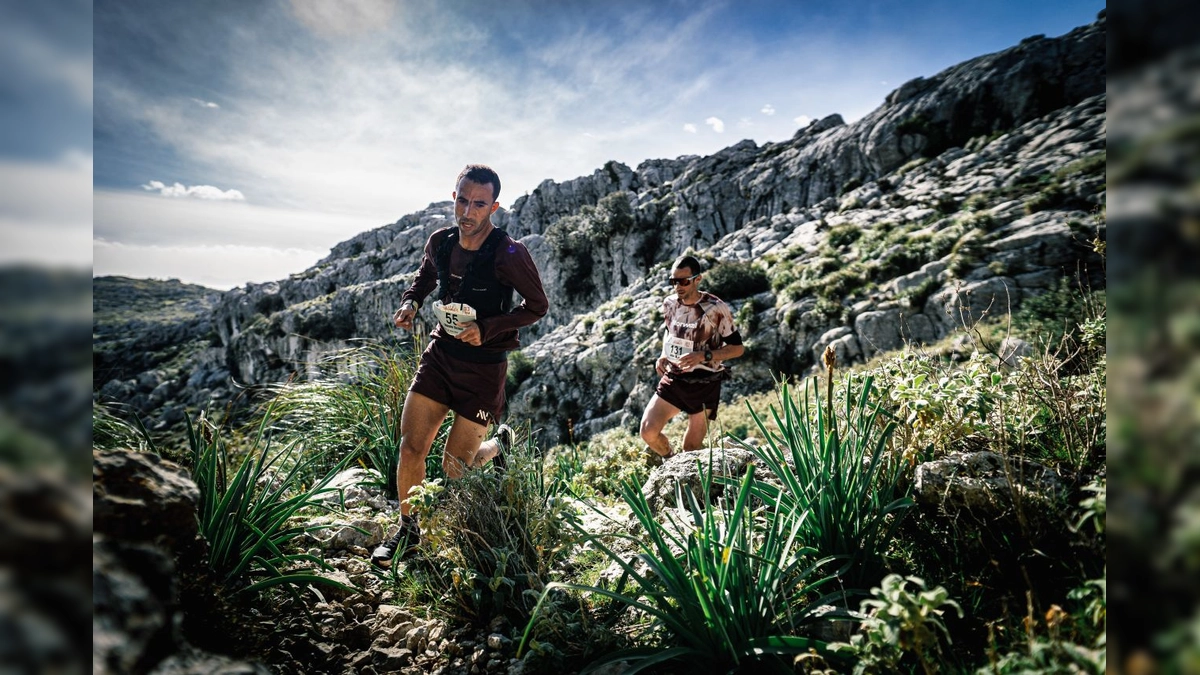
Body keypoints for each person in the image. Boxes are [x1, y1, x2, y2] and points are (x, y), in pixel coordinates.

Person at [370, 164, 548, 569]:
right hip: (441, 357)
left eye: (479, 204)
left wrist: (488, 328)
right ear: (454, 197)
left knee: (455, 469)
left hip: (483, 370)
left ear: (494, 207)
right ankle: (408, 531)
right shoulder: (441, 241)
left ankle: (497, 447)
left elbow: (537, 306)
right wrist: (411, 302)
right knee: (412, 446)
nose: (468, 211)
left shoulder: (510, 253)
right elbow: (427, 275)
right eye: (463, 200)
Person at [640, 255, 745, 459]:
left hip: (706, 382)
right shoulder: (670, 303)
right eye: (673, 281)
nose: (677, 286)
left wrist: (703, 355)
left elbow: (738, 348)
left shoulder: (715, 308)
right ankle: (670, 460)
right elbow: (669, 332)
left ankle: (694, 479)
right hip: (676, 377)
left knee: (691, 449)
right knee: (648, 431)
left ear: (698, 279)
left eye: (683, 281)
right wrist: (663, 355)